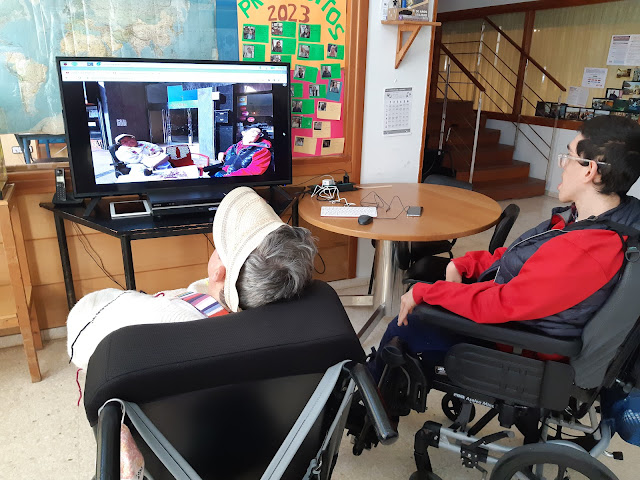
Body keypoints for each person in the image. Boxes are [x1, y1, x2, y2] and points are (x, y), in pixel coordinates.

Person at [371, 115, 640, 379]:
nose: (562, 165)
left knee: (407, 324)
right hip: (519, 321)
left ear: (590, 170)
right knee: (427, 301)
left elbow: (501, 304)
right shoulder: (583, 220)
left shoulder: (587, 250)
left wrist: (428, 293)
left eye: (568, 157)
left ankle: (369, 406)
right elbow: (519, 256)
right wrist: (466, 264)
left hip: (523, 346)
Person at [66, 186, 317, 370]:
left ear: (220, 272)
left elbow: (80, 341)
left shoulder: (164, 317)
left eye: (218, 247)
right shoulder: (305, 326)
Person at [207, 127, 272, 177]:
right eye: (253, 131)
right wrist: (223, 154)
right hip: (222, 174)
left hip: (237, 181)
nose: (256, 134)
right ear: (243, 133)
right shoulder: (235, 146)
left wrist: (228, 176)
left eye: (259, 133)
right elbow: (232, 157)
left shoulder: (262, 151)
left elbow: (254, 171)